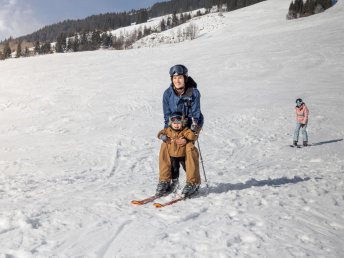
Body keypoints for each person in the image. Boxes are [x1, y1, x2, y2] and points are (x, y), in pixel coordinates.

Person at [157, 64, 204, 197]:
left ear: (185, 78)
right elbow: (167, 116)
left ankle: (193, 182)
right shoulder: (167, 94)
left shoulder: (193, 92)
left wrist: (189, 136)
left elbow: (196, 115)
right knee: (166, 147)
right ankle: (165, 180)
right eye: (175, 78)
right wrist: (168, 133)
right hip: (174, 126)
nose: (177, 80)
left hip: (190, 125)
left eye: (180, 77)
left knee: (188, 148)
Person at [156, 112, 198, 196]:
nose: (176, 125)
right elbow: (160, 133)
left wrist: (193, 130)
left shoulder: (185, 130)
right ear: (171, 123)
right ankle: (175, 183)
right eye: (174, 123)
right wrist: (162, 136)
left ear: (182, 123)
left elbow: (192, 136)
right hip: (172, 155)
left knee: (187, 168)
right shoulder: (168, 130)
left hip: (183, 156)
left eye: (178, 123)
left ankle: (191, 183)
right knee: (174, 169)